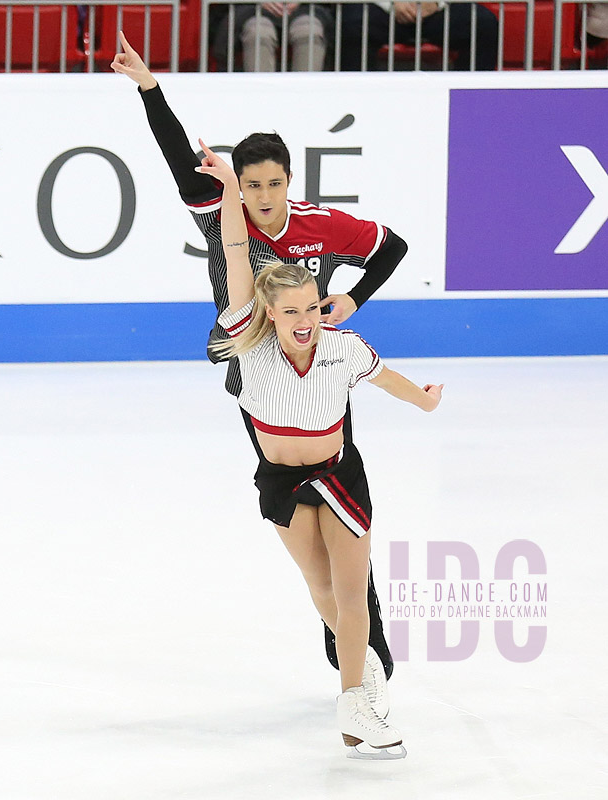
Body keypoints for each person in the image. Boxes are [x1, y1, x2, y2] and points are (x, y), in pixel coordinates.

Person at [111, 31, 408, 682]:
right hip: (256, 378)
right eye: (252, 184)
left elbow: (392, 247)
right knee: (295, 503)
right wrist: (149, 88)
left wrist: (352, 298)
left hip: (320, 374)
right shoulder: (222, 215)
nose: (264, 195)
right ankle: (335, 616)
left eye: (274, 183)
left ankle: (365, 627)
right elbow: (176, 155)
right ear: (237, 185)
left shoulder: (321, 224)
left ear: (289, 180)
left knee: (345, 502)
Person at [195, 139, 442, 754]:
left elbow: (387, 379)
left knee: (352, 594)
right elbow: (233, 247)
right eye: (291, 311)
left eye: (312, 307)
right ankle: (367, 670)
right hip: (282, 484)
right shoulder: (245, 337)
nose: (306, 320)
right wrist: (231, 188)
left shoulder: (341, 345)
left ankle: (357, 700)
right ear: (267, 314)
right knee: (323, 591)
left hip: (339, 476)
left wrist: (425, 401)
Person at [340, 2, 499, 71]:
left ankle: (469, 101)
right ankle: (358, 100)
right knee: (351, 23)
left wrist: (436, 2)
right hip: (380, 8)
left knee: (483, 24)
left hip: (437, 10)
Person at [211, 3, 332, 72]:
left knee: (309, 30)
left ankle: (304, 98)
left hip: (307, 7)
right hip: (250, 7)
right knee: (258, 31)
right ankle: (261, 99)